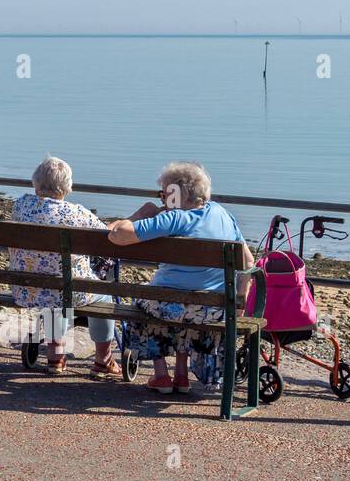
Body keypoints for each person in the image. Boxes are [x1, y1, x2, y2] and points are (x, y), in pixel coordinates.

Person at [108, 161, 255, 395]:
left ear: (178, 194)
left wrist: (141, 213)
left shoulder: (175, 218)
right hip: (213, 308)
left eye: (164, 193)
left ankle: (161, 376)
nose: (162, 199)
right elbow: (248, 262)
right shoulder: (223, 214)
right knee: (181, 308)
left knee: (146, 303)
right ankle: (181, 375)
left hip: (169, 304)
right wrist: (239, 302)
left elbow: (118, 236)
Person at [9, 157, 119, 377]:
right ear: (68, 186)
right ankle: (103, 361)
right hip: (65, 291)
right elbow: (105, 236)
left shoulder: (21, 205)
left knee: (54, 292)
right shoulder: (76, 213)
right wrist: (120, 223)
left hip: (27, 288)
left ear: (36, 183)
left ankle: (55, 357)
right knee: (103, 296)